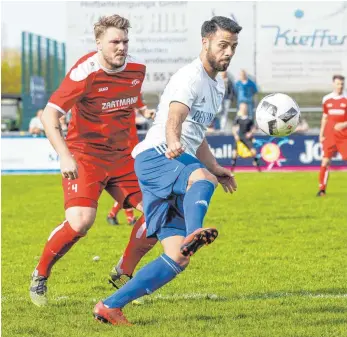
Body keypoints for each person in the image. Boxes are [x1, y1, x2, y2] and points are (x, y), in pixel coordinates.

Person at [93, 16, 240, 326]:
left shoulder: (217, 84)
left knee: (178, 256)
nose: (228, 52)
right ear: (206, 43)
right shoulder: (191, 76)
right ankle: (193, 233)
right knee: (202, 180)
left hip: (175, 157)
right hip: (158, 154)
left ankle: (110, 306)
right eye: (223, 45)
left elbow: (195, 134)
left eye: (233, 47)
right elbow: (176, 115)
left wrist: (215, 166)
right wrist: (175, 142)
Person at [29, 14, 157, 307]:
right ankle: (40, 274)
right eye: (114, 42)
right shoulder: (84, 72)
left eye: (125, 41)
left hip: (124, 157)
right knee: (81, 222)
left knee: (157, 214)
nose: (121, 47)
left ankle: (123, 274)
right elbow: (50, 116)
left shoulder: (137, 69)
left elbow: (128, 99)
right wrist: (65, 156)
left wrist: (145, 112)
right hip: (86, 156)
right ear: (99, 43)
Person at [107, 99, 155, 226]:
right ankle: (128, 218)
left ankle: (113, 214)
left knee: (134, 185)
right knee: (129, 185)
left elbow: (142, 108)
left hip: (132, 148)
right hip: (122, 150)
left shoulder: (131, 94)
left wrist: (148, 113)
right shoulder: (113, 103)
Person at [317, 75, 347, 197]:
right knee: (325, 161)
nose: (340, 86)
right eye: (338, 84)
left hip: (343, 135)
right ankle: (322, 189)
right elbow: (324, 117)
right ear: (333, 84)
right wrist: (321, 134)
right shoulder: (326, 99)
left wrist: (344, 124)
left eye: (342, 84)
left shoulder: (346, 98)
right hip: (329, 135)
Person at [231, 102, 260, 171]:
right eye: (242, 107)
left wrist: (250, 133)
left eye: (244, 107)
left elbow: (254, 128)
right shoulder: (238, 118)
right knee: (234, 152)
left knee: (253, 151)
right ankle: (232, 167)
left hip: (246, 137)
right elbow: (234, 128)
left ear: (246, 108)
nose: (243, 109)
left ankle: (257, 165)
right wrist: (235, 135)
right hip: (239, 136)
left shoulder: (249, 118)